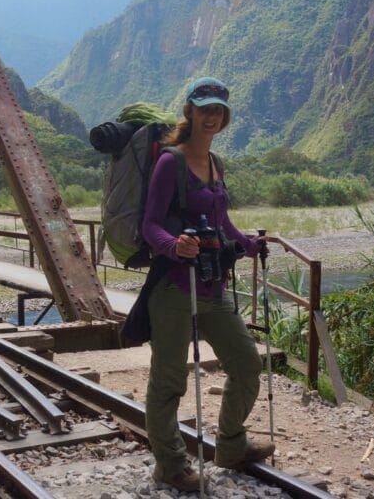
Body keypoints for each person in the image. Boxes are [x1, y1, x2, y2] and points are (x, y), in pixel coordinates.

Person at [141, 76, 274, 492]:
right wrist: (173, 245)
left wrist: (249, 244)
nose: (211, 116)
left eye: (218, 109)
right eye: (205, 108)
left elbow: (222, 224)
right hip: (174, 288)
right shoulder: (170, 162)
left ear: (224, 116)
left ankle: (230, 444)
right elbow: (150, 226)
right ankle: (170, 464)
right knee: (170, 380)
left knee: (247, 364)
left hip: (213, 285)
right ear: (190, 112)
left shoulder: (216, 164)